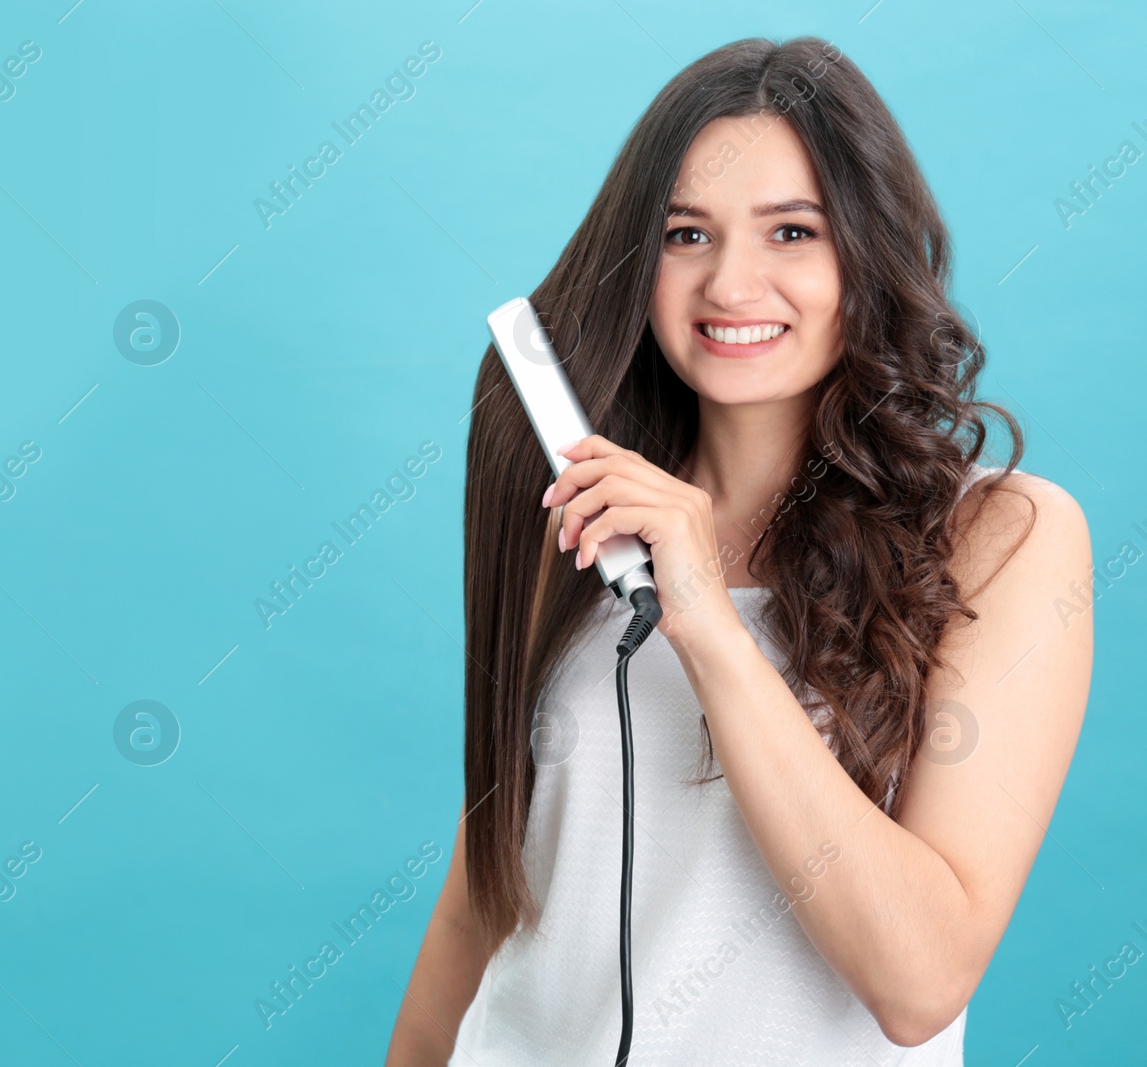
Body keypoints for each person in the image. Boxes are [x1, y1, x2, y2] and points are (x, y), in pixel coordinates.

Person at [384, 35, 1093, 1066]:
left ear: (866, 248)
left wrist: (707, 618)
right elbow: (481, 900)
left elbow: (920, 979)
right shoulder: (586, 520)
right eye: (684, 234)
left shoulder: (1002, 537)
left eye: (791, 231)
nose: (730, 282)